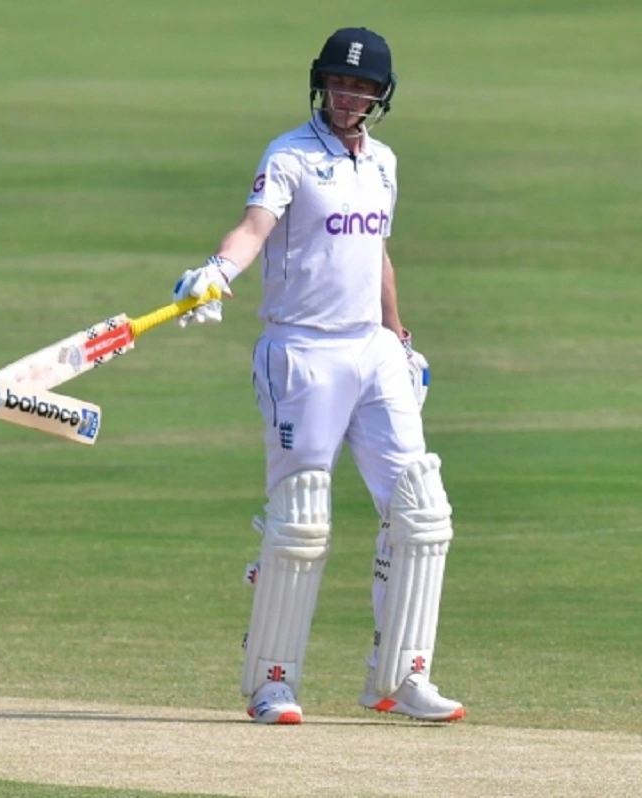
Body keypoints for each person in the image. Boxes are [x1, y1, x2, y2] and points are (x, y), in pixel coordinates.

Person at [172, 27, 462, 724]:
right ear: (320, 84)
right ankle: (273, 682)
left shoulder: (385, 163)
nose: (347, 95)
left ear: (380, 96)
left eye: (361, 87)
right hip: (301, 353)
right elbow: (253, 227)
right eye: (338, 82)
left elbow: (378, 252)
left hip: (371, 351)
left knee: (420, 509)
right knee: (301, 517)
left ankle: (400, 677)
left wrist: (399, 335)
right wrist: (217, 271)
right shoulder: (289, 156)